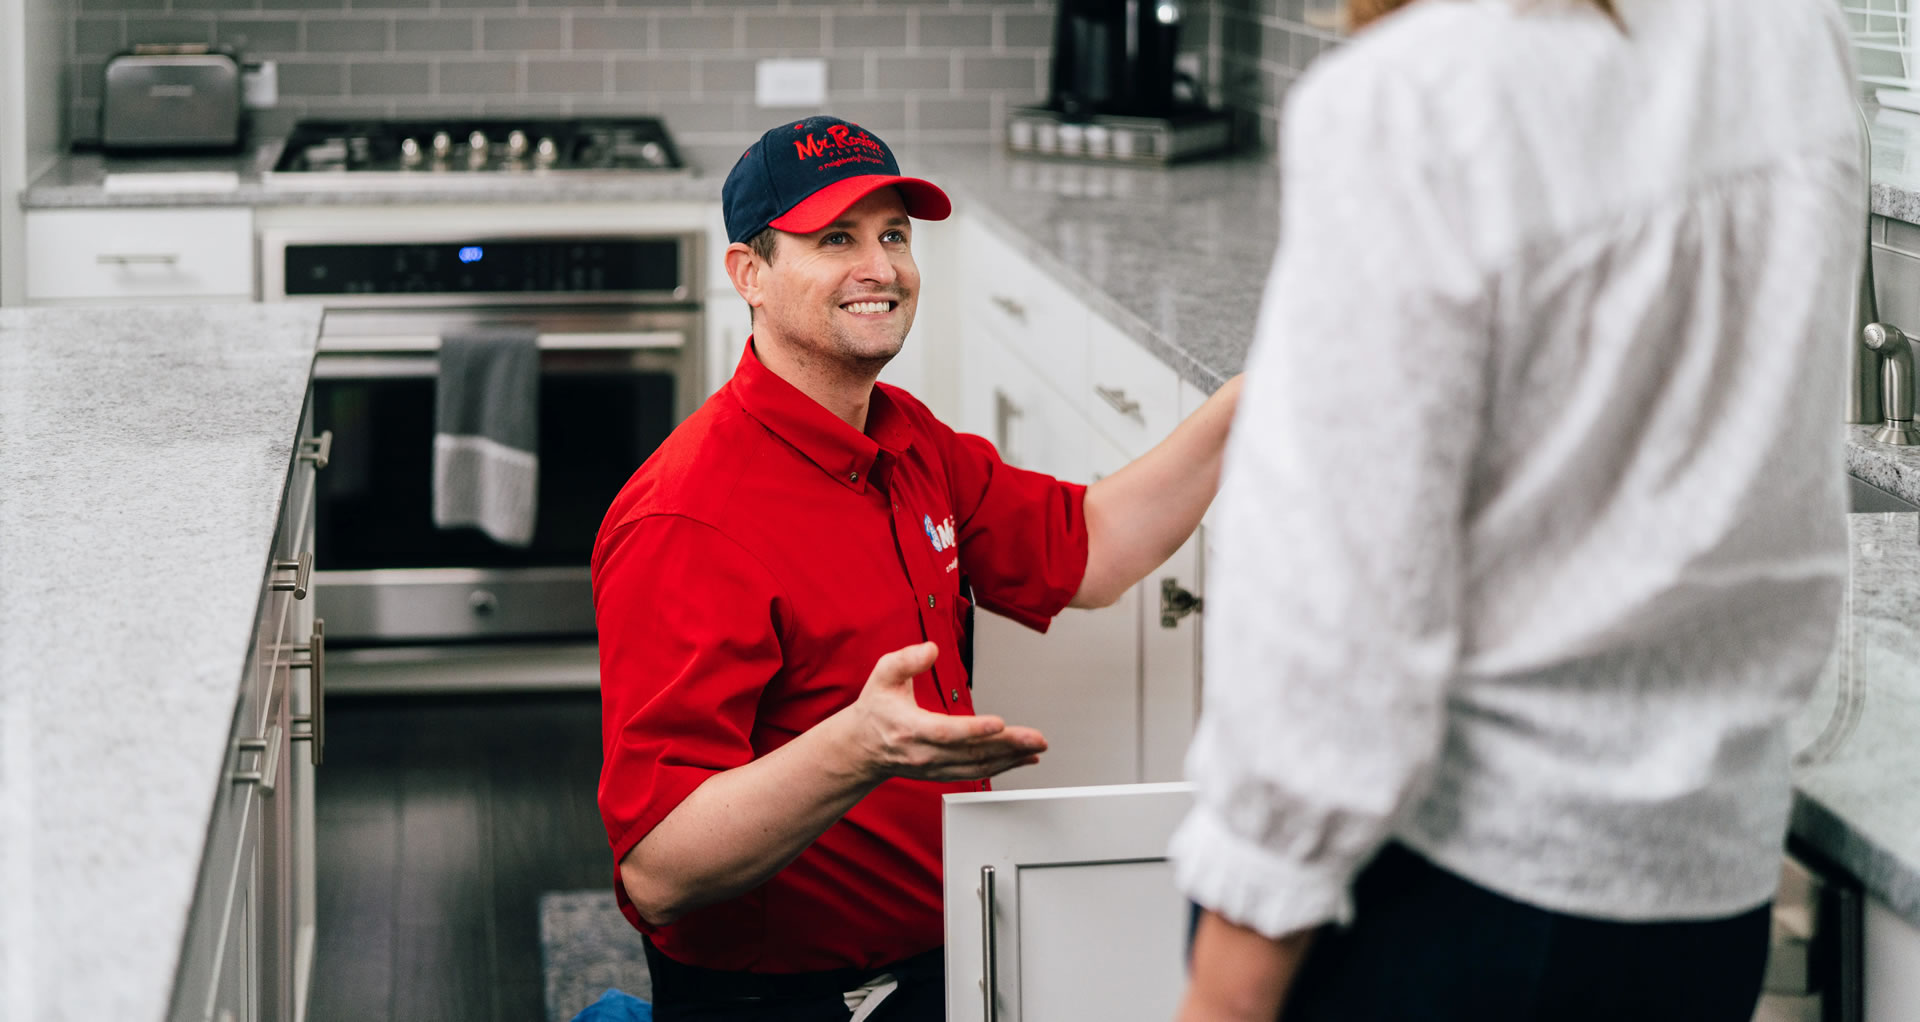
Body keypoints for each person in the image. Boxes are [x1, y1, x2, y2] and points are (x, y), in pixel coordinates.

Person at [1171, 0, 1864, 1019]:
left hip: (1436, 897)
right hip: (1701, 904)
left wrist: (1230, 975)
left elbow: (1341, 604)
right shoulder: (1792, 37)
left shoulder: (1411, 102)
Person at [592, 115, 1242, 1022]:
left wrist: (1245, 405)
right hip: (785, 998)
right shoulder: (687, 519)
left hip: (951, 952)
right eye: (834, 240)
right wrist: (859, 749)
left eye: (894, 234)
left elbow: (1090, 546)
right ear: (750, 274)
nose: (882, 268)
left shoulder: (905, 438)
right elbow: (659, 873)